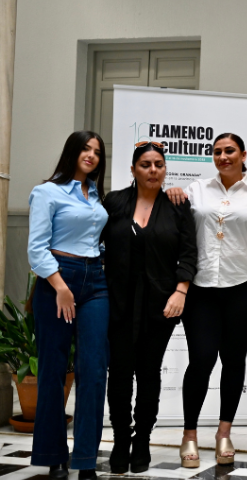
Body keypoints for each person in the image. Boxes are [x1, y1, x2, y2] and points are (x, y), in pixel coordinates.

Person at [165, 133, 247, 467]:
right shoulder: (197, 190)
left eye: (229, 151)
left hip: (244, 289)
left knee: (234, 360)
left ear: (243, 154)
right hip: (200, 289)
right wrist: (171, 191)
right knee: (201, 360)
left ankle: (223, 432)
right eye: (216, 152)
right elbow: (175, 224)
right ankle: (189, 435)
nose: (223, 156)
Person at [101, 141, 197, 474]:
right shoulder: (113, 203)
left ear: (165, 169)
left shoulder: (177, 206)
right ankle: (120, 441)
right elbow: (95, 243)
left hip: (160, 306)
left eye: (158, 164)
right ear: (133, 169)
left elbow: (189, 252)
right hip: (117, 304)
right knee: (120, 376)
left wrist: (180, 291)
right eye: (145, 164)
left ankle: (142, 441)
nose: (153, 170)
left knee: (148, 374)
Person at [27, 131, 110, 480]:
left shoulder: (97, 196)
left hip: (96, 281)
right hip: (57, 280)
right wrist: (60, 286)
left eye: (97, 151)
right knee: (53, 368)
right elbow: (36, 249)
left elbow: (95, 239)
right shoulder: (47, 192)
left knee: (93, 370)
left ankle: (86, 459)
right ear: (72, 152)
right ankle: (51, 454)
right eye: (85, 149)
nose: (91, 155)